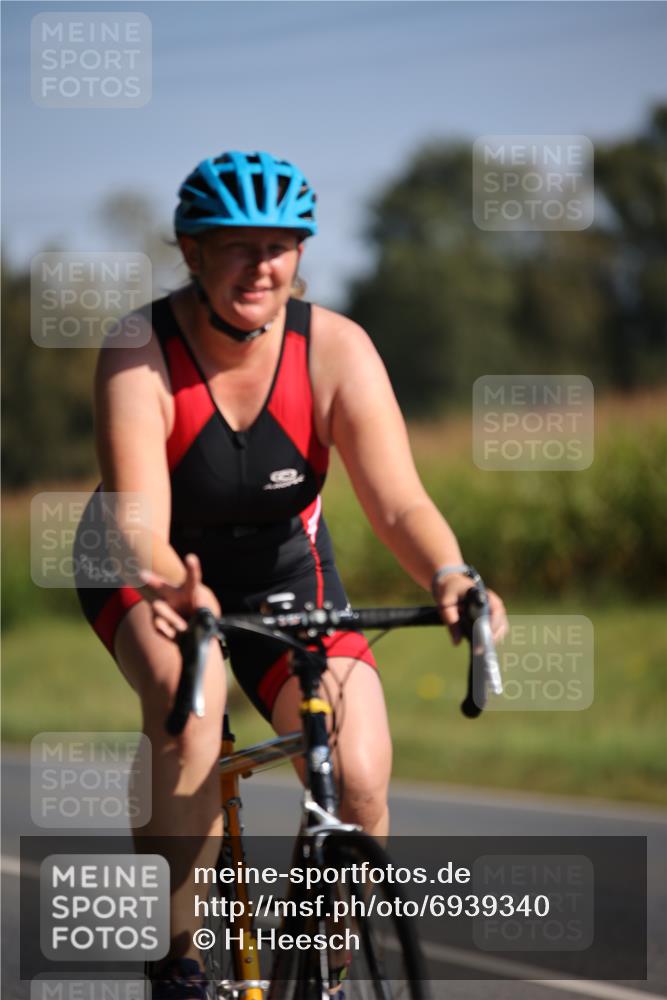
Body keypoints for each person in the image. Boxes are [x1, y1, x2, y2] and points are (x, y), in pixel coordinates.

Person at [74, 150, 507, 997]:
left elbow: (399, 504)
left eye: (280, 245)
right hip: (148, 562)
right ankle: (176, 960)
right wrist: (176, 587)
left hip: (282, 564)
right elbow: (136, 523)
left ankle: (327, 967)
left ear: (302, 254)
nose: (260, 265)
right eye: (236, 245)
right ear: (192, 252)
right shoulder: (139, 349)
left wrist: (452, 573)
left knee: (359, 769)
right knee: (188, 714)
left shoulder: (336, 349)